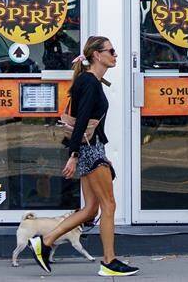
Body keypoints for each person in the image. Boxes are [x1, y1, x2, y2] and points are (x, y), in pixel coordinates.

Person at [29, 35, 138, 277]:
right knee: (109, 205)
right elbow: (80, 125)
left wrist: (98, 153)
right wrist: (75, 154)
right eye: (111, 51)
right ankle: (109, 261)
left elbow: (87, 123)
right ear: (97, 55)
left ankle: (46, 241)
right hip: (89, 150)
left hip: (92, 149)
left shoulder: (90, 81)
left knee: (90, 210)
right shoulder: (89, 83)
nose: (115, 55)